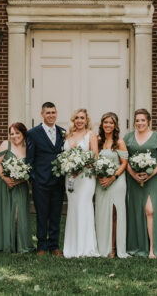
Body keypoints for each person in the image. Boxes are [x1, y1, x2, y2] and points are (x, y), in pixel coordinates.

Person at [0, 122, 33, 253]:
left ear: (23, 133)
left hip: (20, 185)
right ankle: (2, 242)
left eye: (17, 133)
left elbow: (30, 168)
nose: (14, 136)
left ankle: (18, 243)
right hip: (2, 183)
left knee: (18, 213)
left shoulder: (28, 148)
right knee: (3, 211)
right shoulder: (6, 144)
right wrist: (6, 179)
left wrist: (21, 178)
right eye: (12, 133)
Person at [124, 108, 157, 259]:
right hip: (134, 179)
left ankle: (153, 249)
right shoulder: (128, 137)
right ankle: (138, 246)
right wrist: (134, 174)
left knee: (150, 210)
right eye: (137, 120)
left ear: (148, 121)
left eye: (143, 120)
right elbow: (125, 160)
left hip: (154, 178)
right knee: (137, 211)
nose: (140, 123)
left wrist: (150, 173)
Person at [26, 102, 65, 255]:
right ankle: (41, 245)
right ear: (42, 114)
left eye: (53, 112)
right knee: (42, 214)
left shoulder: (63, 132)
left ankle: (54, 245)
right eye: (48, 113)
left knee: (56, 214)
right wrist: (33, 178)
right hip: (40, 181)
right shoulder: (33, 133)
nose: (51, 115)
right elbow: (30, 158)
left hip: (58, 181)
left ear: (56, 113)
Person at [60, 108, 100, 258]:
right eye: (77, 118)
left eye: (82, 118)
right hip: (70, 178)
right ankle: (72, 247)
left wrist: (80, 167)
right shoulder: (68, 135)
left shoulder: (91, 135)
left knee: (84, 207)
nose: (79, 121)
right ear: (73, 120)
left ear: (87, 120)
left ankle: (86, 247)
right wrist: (69, 166)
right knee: (73, 208)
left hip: (86, 178)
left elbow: (94, 157)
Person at [94, 112, 129, 258]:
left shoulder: (119, 142)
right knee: (102, 214)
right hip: (101, 182)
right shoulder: (97, 140)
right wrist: (100, 176)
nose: (108, 125)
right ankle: (103, 247)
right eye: (105, 122)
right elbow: (93, 160)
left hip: (117, 181)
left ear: (115, 125)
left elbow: (124, 163)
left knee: (115, 213)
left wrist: (113, 177)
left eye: (111, 123)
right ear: (102, 124)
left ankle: (114, 248)